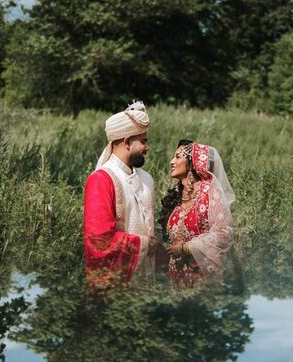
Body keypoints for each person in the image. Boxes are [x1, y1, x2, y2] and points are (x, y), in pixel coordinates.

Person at [83, 101, 155, 287]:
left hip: (146, 279)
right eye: (143, 141)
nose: (147, 148)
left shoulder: (146, 179)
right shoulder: (102, 179)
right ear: (126, 142)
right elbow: (100, 239)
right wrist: (145, 243)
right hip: (117, 282)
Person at [159, 140, 235, 288]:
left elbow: (224, 234)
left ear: (192, 163)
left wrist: (186, 248)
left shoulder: (210, 193)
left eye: (177, 157)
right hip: (176, 275)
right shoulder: (177, 196)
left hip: (202, 275)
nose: (171, 162)